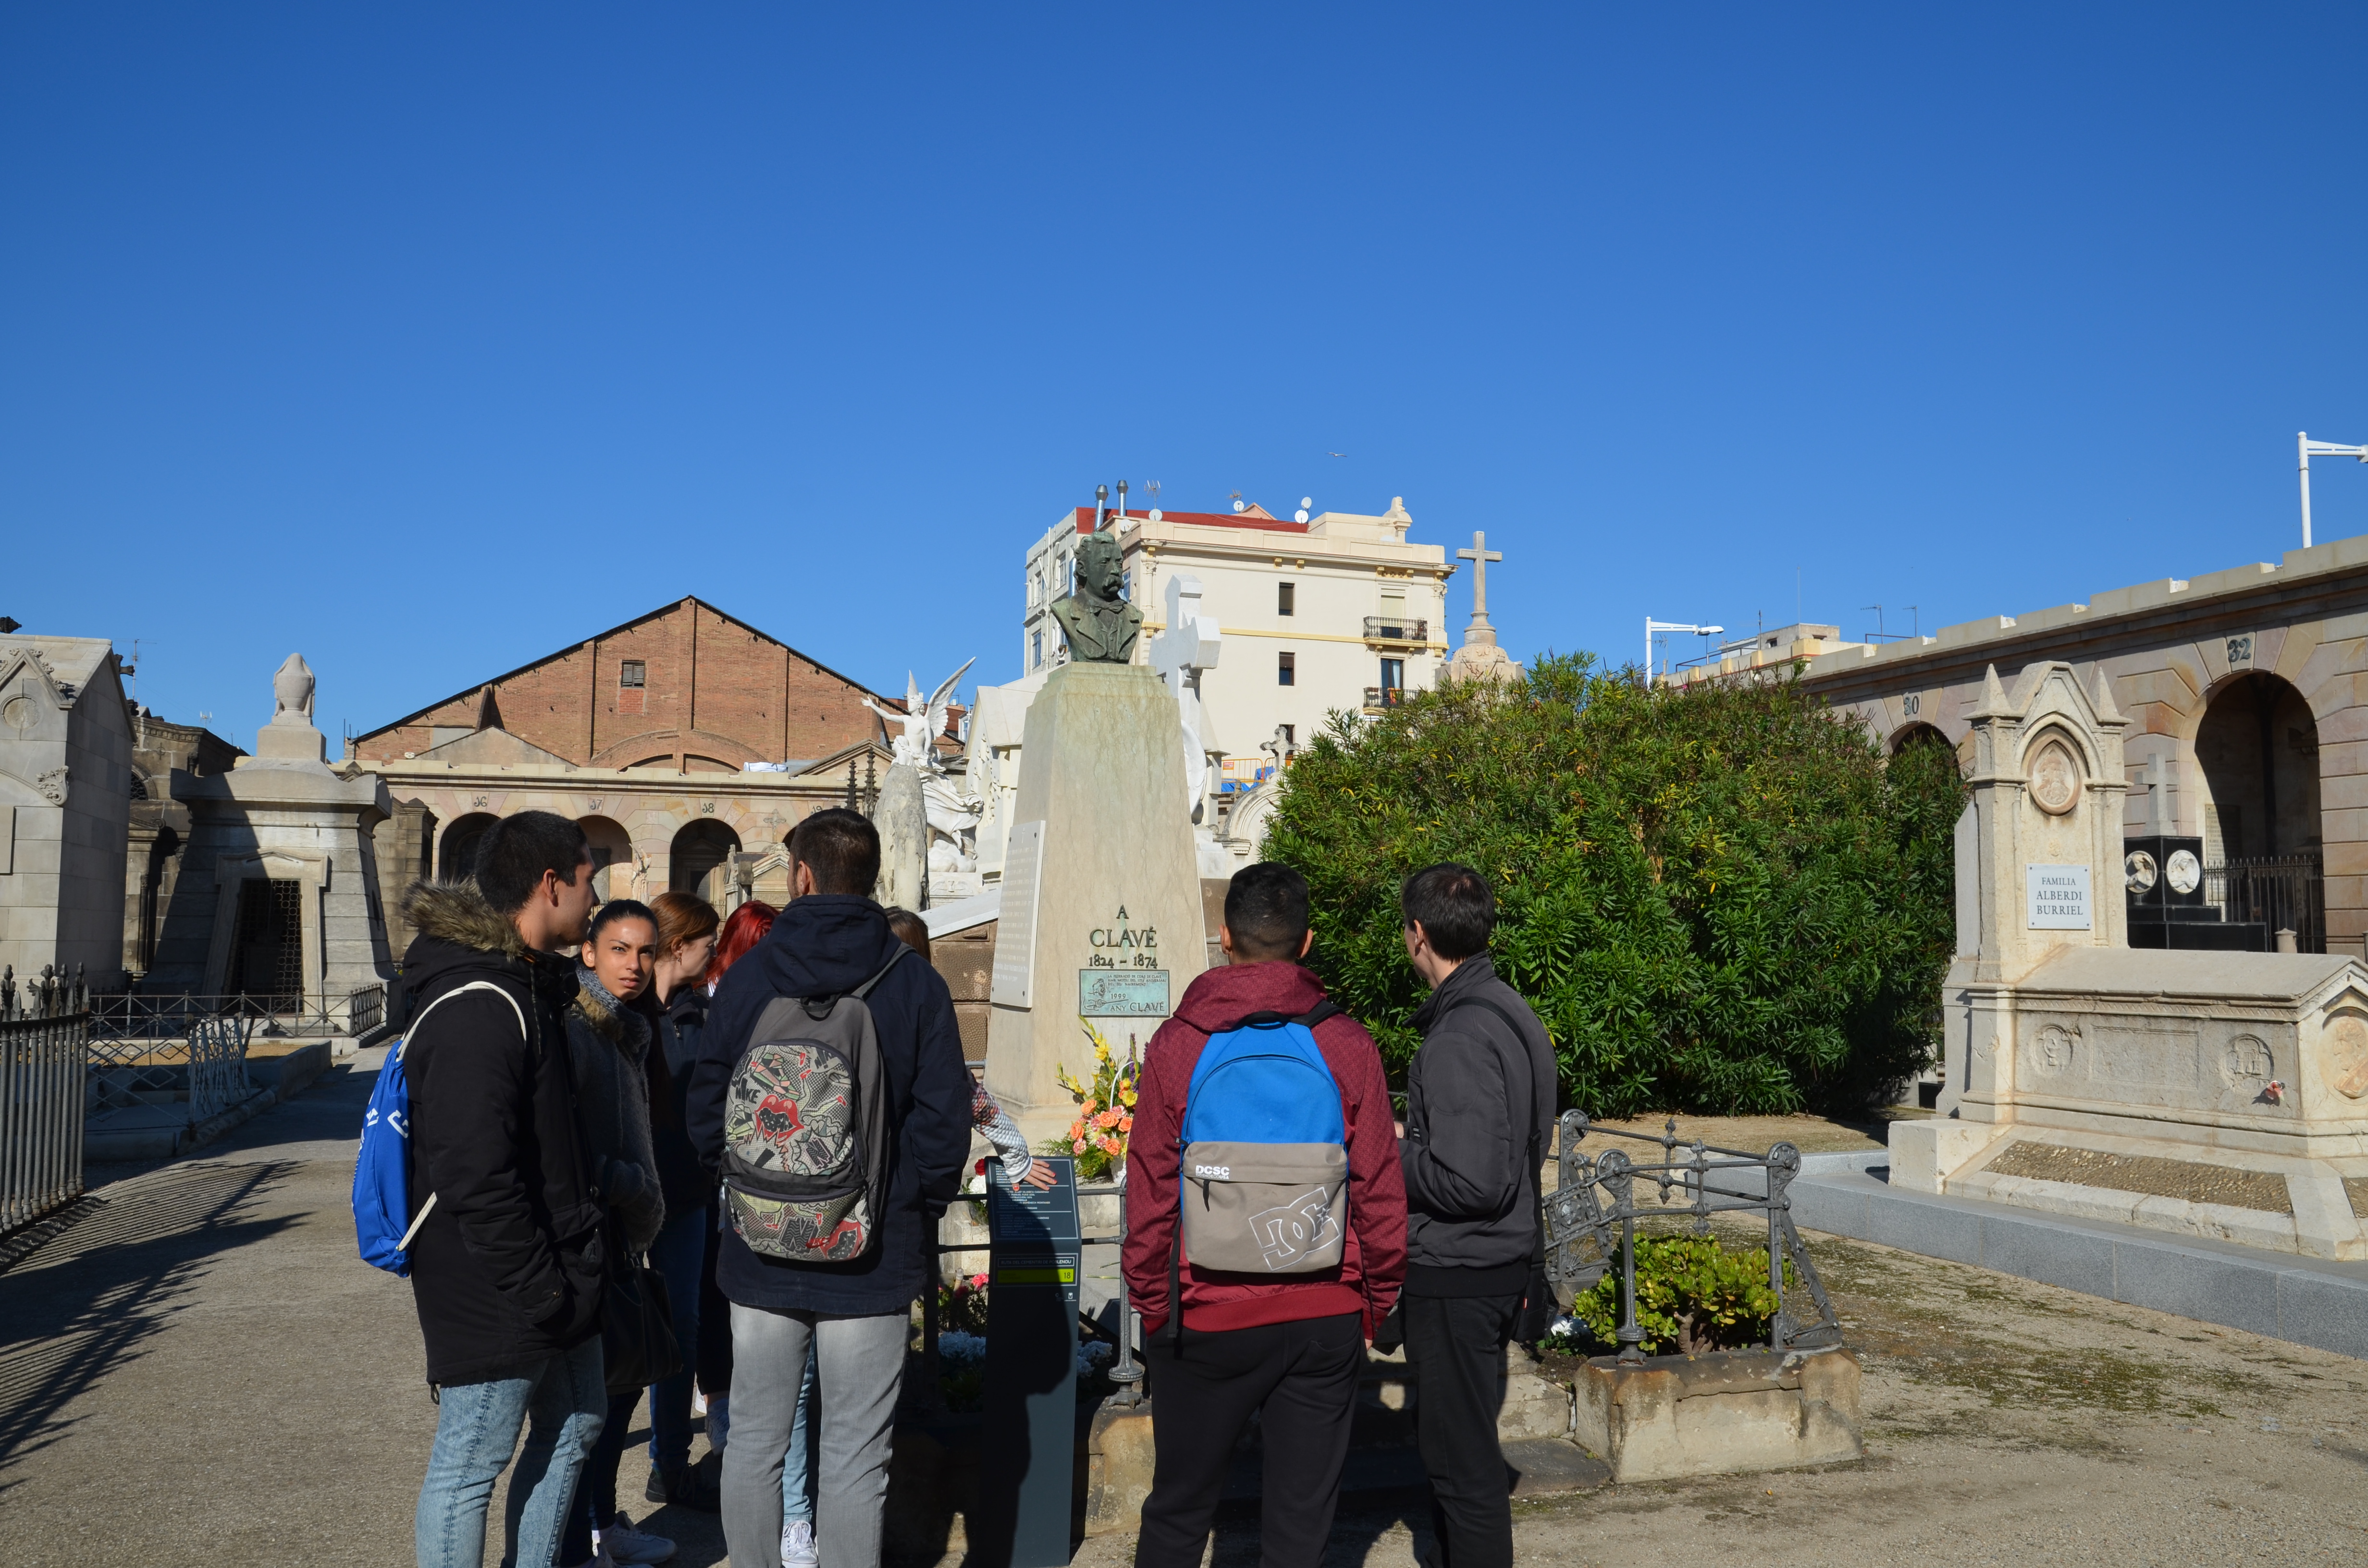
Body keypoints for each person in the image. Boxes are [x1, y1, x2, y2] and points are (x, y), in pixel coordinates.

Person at [687, 810, 972, 1568]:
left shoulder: (748, 976)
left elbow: (704, 1105)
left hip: (760, 1249)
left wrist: (751, 1185)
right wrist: (908, 1207)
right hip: (872, 1256)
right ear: (871, 877)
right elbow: (945, 1126)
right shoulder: (914, 982)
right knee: (855, 1452)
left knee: (754, 1441)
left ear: (803, 876)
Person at [1120, 862, 1407, 1568]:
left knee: (1180, 1510)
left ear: (1224, 940)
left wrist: (1156, 1308)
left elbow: (1152, 1187)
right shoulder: (1346, 1045)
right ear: (1307, 943)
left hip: (1204, 1312)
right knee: (1300, 1527)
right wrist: (1374, 1305)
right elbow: (1378, 1188)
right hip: (1321, 1309)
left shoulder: (1179, 1043)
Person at [403, 811, 609, 1568]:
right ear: (550, 885)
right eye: (590, 881)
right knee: (470, 1463)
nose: (596, 898)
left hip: (561, 1263)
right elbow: (472, 1170)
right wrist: (540, 1290)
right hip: (501, 1278)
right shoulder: (479, 1000)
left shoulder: (530, 983)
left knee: (579, 1420)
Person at [1394, 863, 1557, 1568]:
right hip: (1496, 1261)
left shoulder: (1461, 1035)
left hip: (1462, 1271)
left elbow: (1473, 1182)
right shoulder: (1509, 1008)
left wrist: (1386, 1152)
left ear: (1418, 934)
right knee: (1465, 1457)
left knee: (1461, 1471)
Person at [558, 899, 675, 1568]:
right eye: (620, 950)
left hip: (623, 1236)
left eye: (645, 951)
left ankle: (602, 1526)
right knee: (587, 1407)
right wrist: (624, 1185)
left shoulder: (626, 1024)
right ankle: (583, 1542)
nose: (634, 964)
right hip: (593, 1230)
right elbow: (564, 1136)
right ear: (591, 953)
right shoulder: (580, 1024)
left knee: (620, 1386)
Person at [641, 891, 724, 1515]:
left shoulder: (703, 1013)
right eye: (707, 943)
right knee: (620, 1328)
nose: (714, 953)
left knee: (681, 1330)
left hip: (688, 1194)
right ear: (680, 945)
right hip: (625, 1192)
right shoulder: (628, 1013)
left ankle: (669, 1464)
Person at [880, 907, 1049, 1196]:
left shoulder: (855, 1003)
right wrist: (1017, 1156)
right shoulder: (926, 1004)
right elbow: (967, 1092)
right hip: (905, 1175)